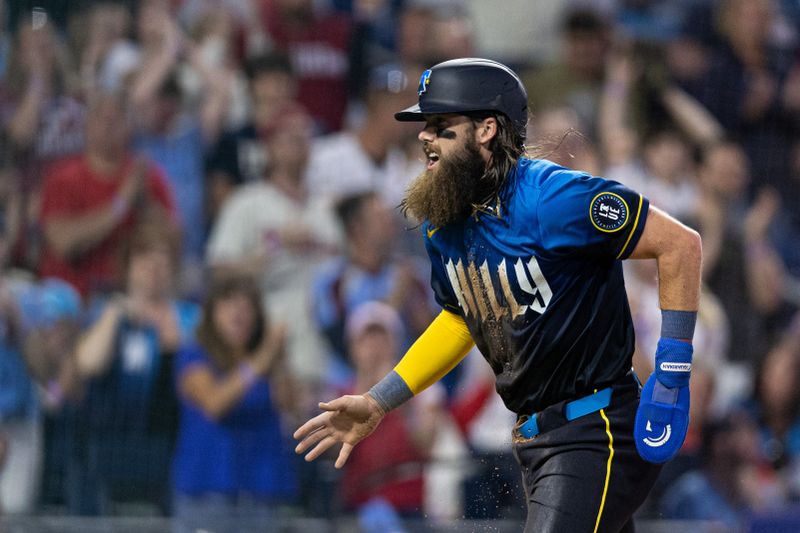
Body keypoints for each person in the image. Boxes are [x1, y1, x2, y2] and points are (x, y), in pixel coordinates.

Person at [294, 58, 703, 532]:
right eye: (426, 126)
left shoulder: (553, 197)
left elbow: (679, 244)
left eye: (442, 126)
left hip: (600, 429)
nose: (425, 137)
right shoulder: (444, 223)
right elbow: (459, 318)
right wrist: (380, 400)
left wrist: (672, 375)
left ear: (487, 128)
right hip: (537, 440)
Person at [171, 272, 296, 532]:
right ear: (212, 311)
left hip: (261, 492)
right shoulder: (193, 355)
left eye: (248, 305)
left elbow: (290, 407)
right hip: (206, 494)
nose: (239, 313)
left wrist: (280, 362)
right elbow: (214, 403)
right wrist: (262, 359)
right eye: (229, 303)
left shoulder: (265, 361)